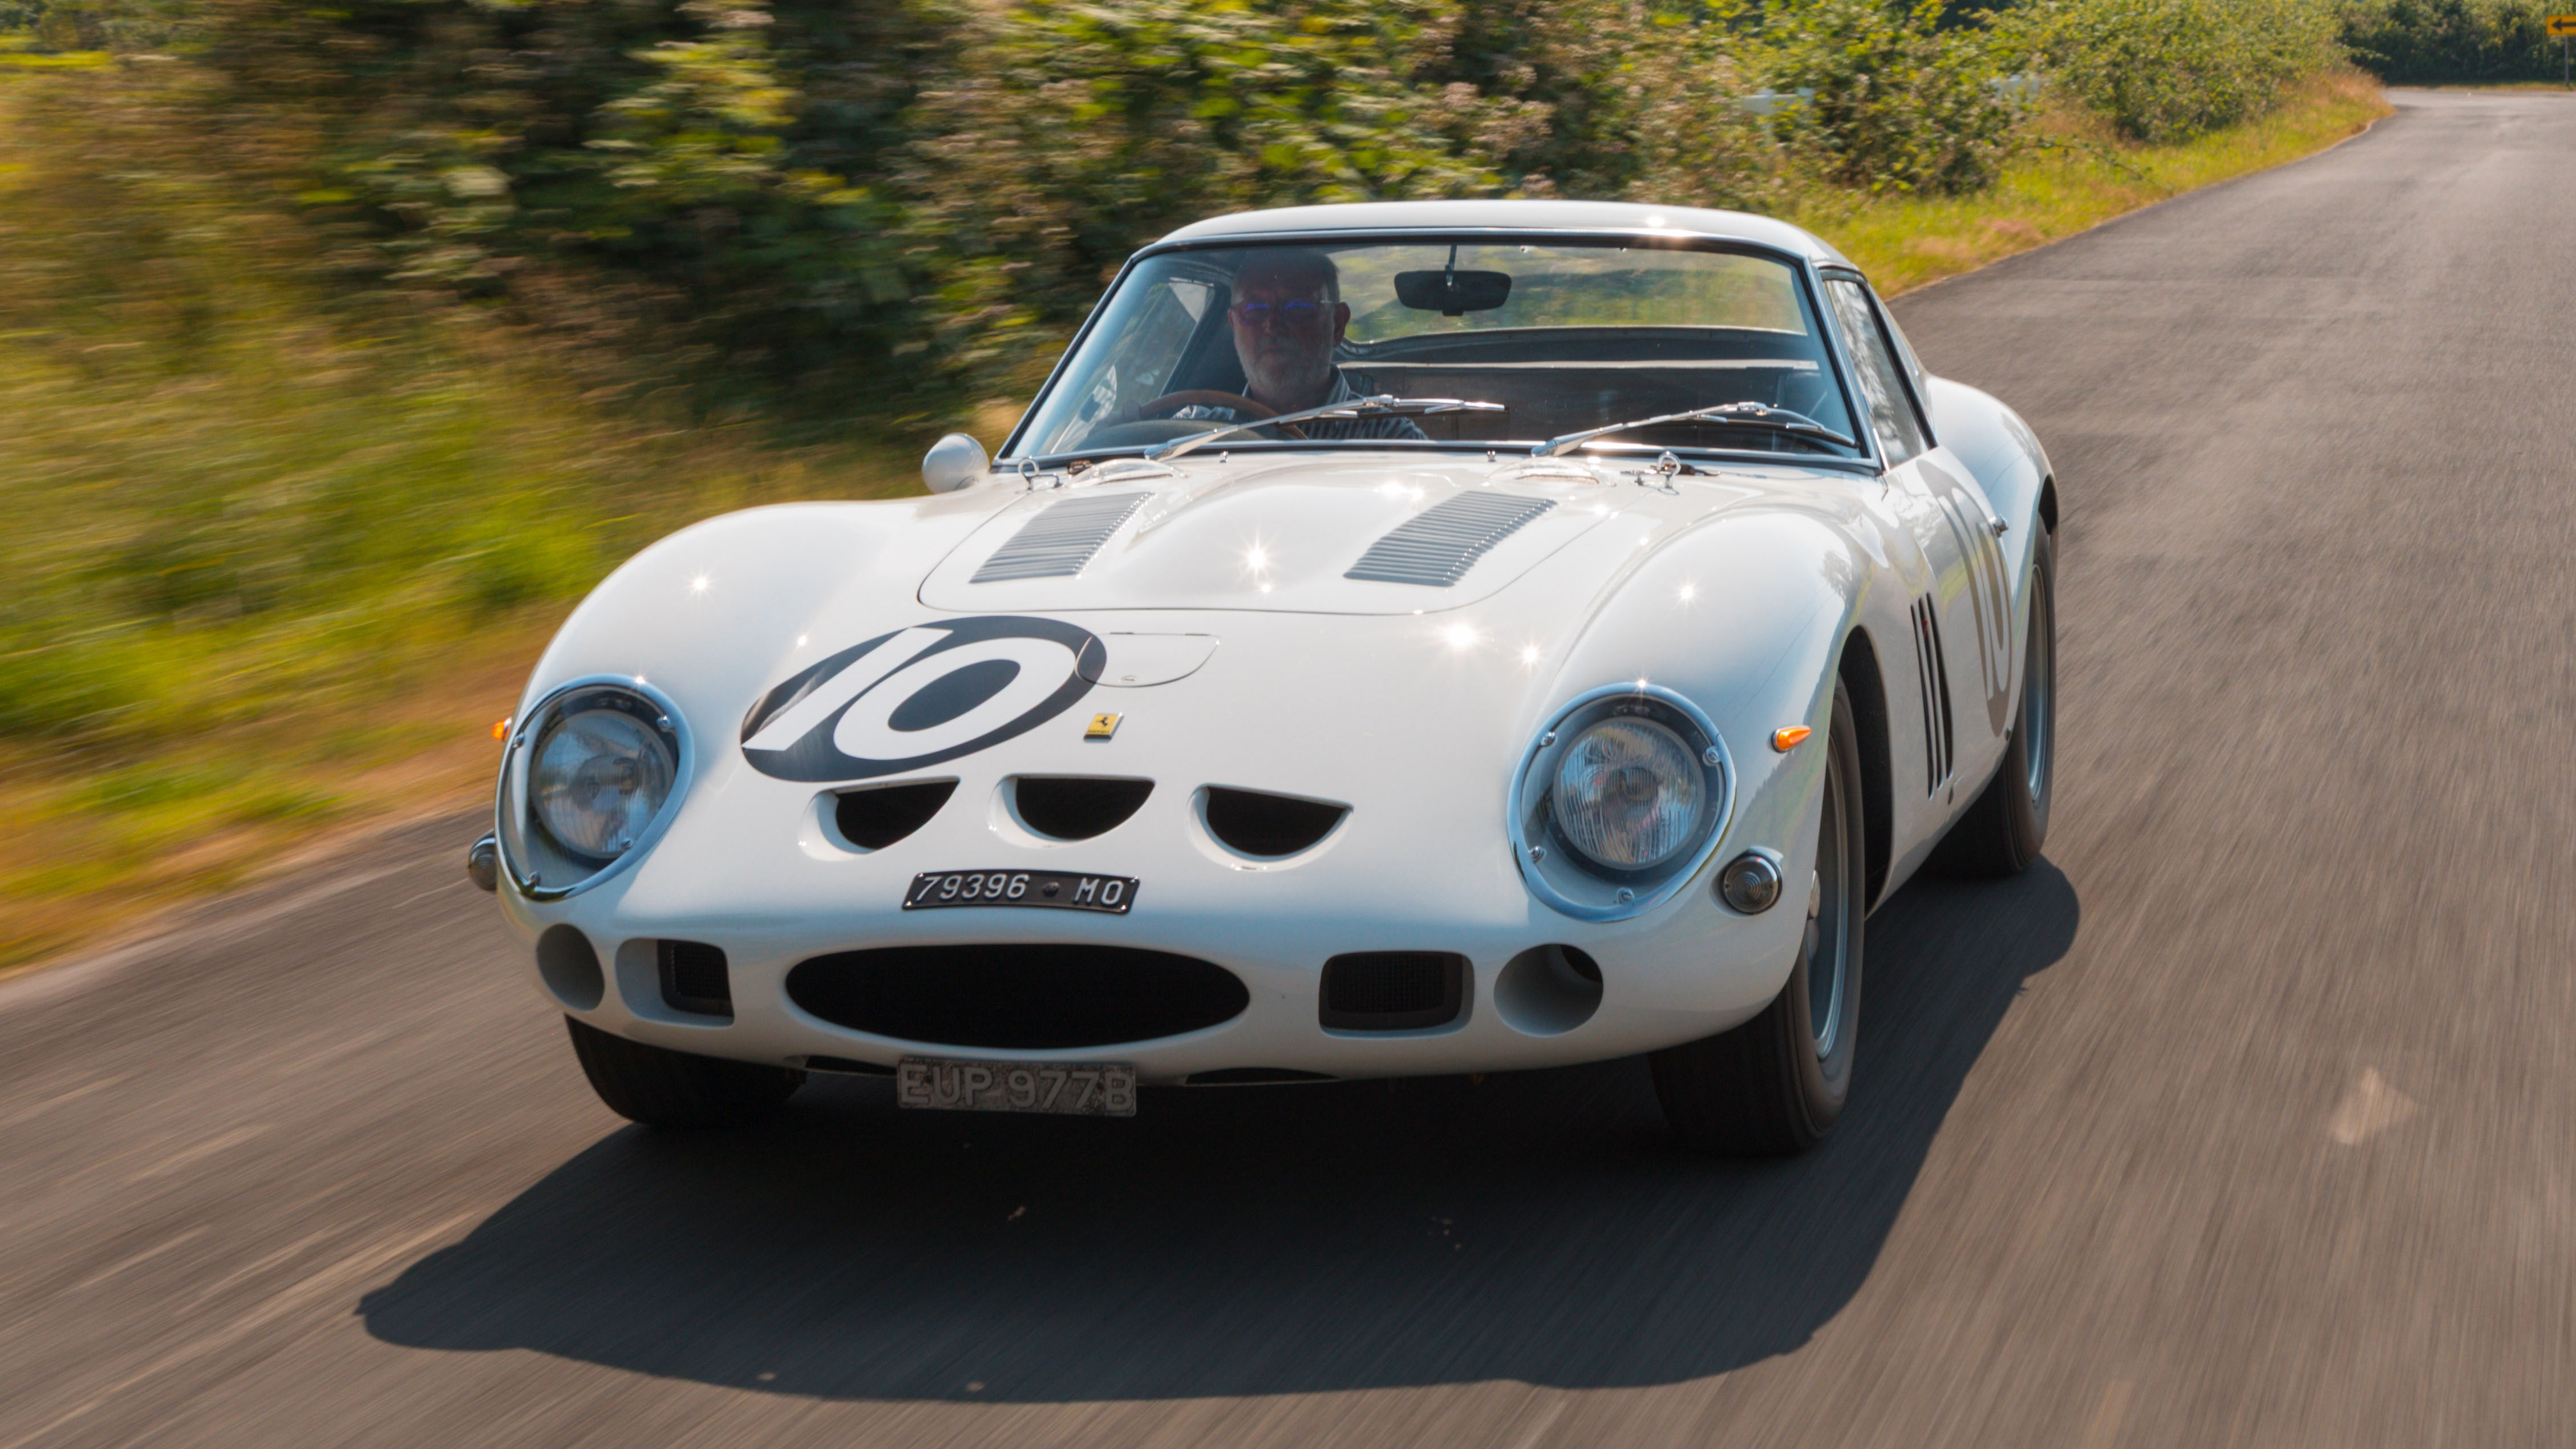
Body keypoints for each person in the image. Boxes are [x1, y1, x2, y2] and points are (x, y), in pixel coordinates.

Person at [1174, 249, 1426, 442]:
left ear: (1337, 325)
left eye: (1298, 308)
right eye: (1253, 310)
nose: (1272, 326)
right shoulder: (1194, 431)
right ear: (1233, 325)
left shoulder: (1388, 436)